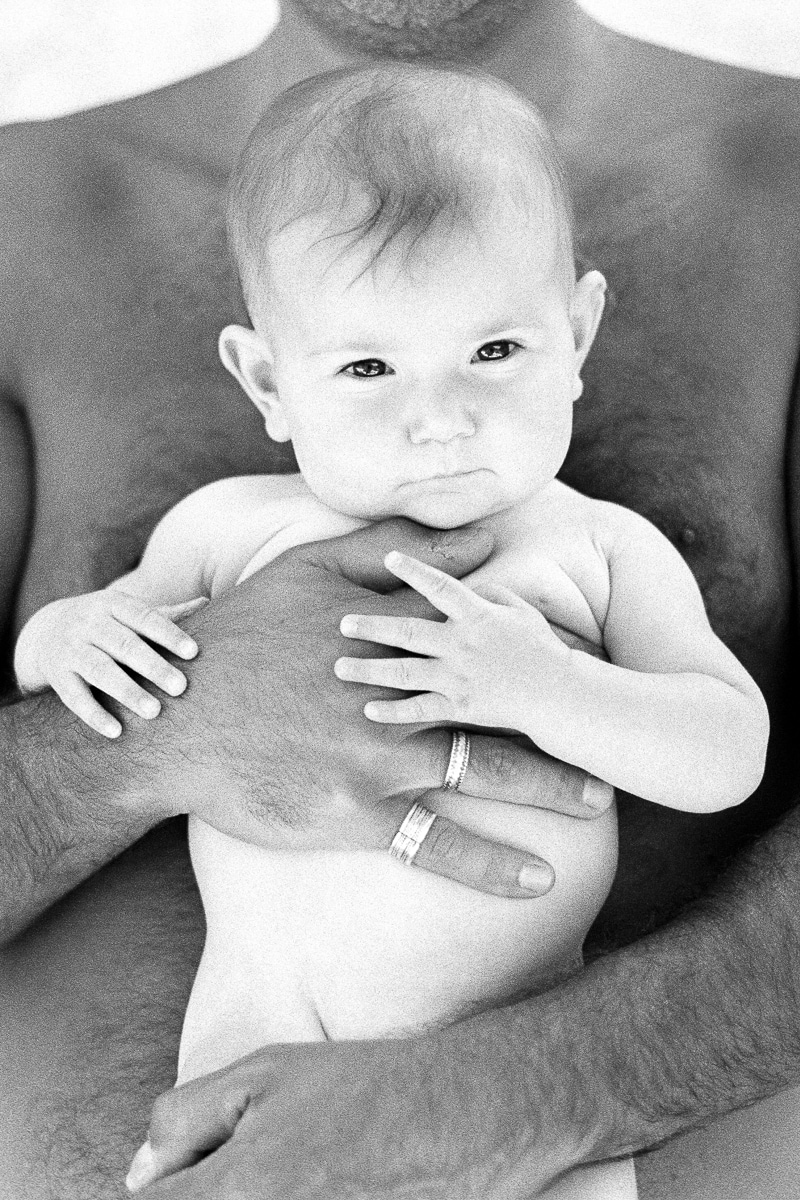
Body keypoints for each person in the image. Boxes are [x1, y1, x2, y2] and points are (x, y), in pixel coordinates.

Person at [0, 2, 798, 1198]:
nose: (439, 418)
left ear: (574, 330)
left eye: (494, 355)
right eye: (367, 368)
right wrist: (127, 730)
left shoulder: (600, 548)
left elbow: (722, 743)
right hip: (204, 1101)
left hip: (557, 1159)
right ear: (266, 379)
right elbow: (73, 647)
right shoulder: (32, 228)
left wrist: (516, 1096)